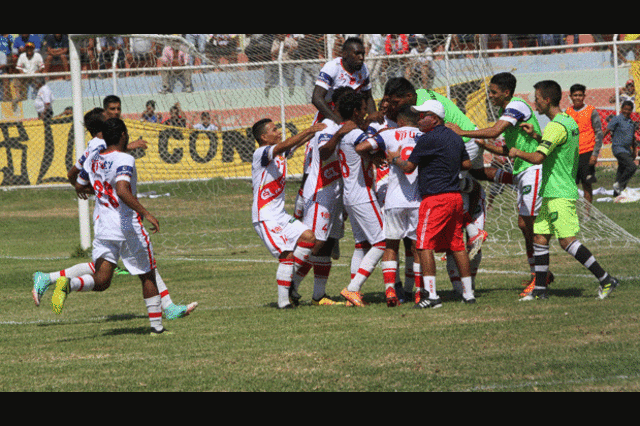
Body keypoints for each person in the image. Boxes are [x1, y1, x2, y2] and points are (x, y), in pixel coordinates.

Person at [51, 118, 198, 334]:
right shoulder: (124, 158)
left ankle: (68, 284)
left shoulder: (94, 159)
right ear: (122, 135)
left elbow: (80, 184)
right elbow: (122, 189)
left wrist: (100, 192)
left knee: (102, 280)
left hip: (103, 227)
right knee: (147, 274)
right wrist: (145, 212)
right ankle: (157, 328)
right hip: (126, 225)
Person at [510, 80, 619, 301]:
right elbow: (555, 146)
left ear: (546, 100)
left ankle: (606, 279)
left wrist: (517, 152)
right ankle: (540, 290)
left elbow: (539, 157)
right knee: (540, 238)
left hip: (560, 192)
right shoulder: (567, 122)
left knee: (566, 241)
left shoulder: (556, 126)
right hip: (551, 191)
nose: (535, 102)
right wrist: (535, 137)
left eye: (537, 98)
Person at [446, 72, 550, 296]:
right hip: (523, 170)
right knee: (525, 225)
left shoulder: (517, 105)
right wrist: (479, 143)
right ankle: (539, 273)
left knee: (531, 224)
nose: (490, 96)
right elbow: (505, 149)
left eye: (493, 92)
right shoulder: (509, 112)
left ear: (506, 92)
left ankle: (540, 276)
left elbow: (495, 131)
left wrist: (462, 131)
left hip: (534, 169)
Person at [387, 99, 475, 308]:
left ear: (434, 119)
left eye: (422, 115)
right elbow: (467, 163)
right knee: (457, 245)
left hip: (435, 199)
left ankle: (432, 296)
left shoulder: (427, 139)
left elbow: (408, 167)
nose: (419, 118)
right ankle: (469, 293)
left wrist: (394, 159)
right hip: (455, 198)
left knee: (424, 245)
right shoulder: (454, 137)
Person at [251, 118, 326, 309]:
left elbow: (294, 144)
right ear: (263, 137)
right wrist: (309, 129)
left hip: (280, 215)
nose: (278, 132)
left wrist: (316, 131)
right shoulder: (262, 153)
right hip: (265, 216)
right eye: (274, 130)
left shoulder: (279, 154)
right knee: (287, 254)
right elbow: (285, 144)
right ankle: (284, 303)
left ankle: (290, 284)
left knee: (309, 238)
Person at [291, 88, 351, 306]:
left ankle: (319, 295)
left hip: (336, 194)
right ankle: (290, 286)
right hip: (320, 192)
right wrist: (340, 134)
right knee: (314, 243)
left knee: (325, 245)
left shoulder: (346, 127)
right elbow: (325, 152)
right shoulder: (329, 126)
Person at [359, 104, 422, 307]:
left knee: (391, 245)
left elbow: (360, 147)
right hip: (418, 199)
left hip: (394, 199)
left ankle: (390, 291)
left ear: (401, 121)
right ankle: (419, 292)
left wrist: (375, 158)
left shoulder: (389, 134)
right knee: (416, 247)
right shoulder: (424, 134)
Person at [327, 92, 386, 307]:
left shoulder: (344, 133)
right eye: (363, 109)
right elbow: (376, 143)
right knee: (382, 241)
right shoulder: (355, 135)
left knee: (361, 245)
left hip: (350, 195)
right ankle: (353, 288)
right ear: (355, 112)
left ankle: (353, 294)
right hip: (363, 194)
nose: (365, 113)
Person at [312, 36, 376, 124]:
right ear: (345, 54)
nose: (361, 57)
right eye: (357, 53)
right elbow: (317, 98)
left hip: (352, 119)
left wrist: (373, 121)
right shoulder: (332, 67)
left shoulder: (364, 69)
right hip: (330, 117)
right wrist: (338, 122)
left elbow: (368, 97)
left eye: (363, 54)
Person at [565, 84, 604, 213]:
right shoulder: (567, 112)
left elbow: (599, 132)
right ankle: (571, 211)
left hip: (587, 151)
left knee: (587, 184)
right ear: (570, 96)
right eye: (575, 95)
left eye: (580, 95)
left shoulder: (591, 111)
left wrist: (595, 154)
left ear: (584, 96)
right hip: (572, 153)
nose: (577, 98)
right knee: (570, 184)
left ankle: (587, 213)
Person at [604, 100, 638, 196]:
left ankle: (617, 194)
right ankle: (619, 185)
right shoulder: (617, 119)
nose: (627, 111)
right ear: (622, 109)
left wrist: (634, 150)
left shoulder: (631, 122)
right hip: (618, 148)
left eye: (629, 110)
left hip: (627, 150)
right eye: (625, 109)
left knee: (621, 170)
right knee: (632, 167)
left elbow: (633, 137)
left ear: (631, 111)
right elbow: (607, 130)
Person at [14, 42, 44, 107]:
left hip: (35, 75)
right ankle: (18, 97)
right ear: (25, 49)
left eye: (30, 48)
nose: (29, 50)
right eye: (27, 48)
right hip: (25, 75)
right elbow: (19, 67)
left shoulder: (38, 55)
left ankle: (40, 96)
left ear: (33, 49)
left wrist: (36, 73)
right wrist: (23, 74)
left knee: (41, 80)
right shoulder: (22, 56)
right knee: (16, 80)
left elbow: (41, 67)